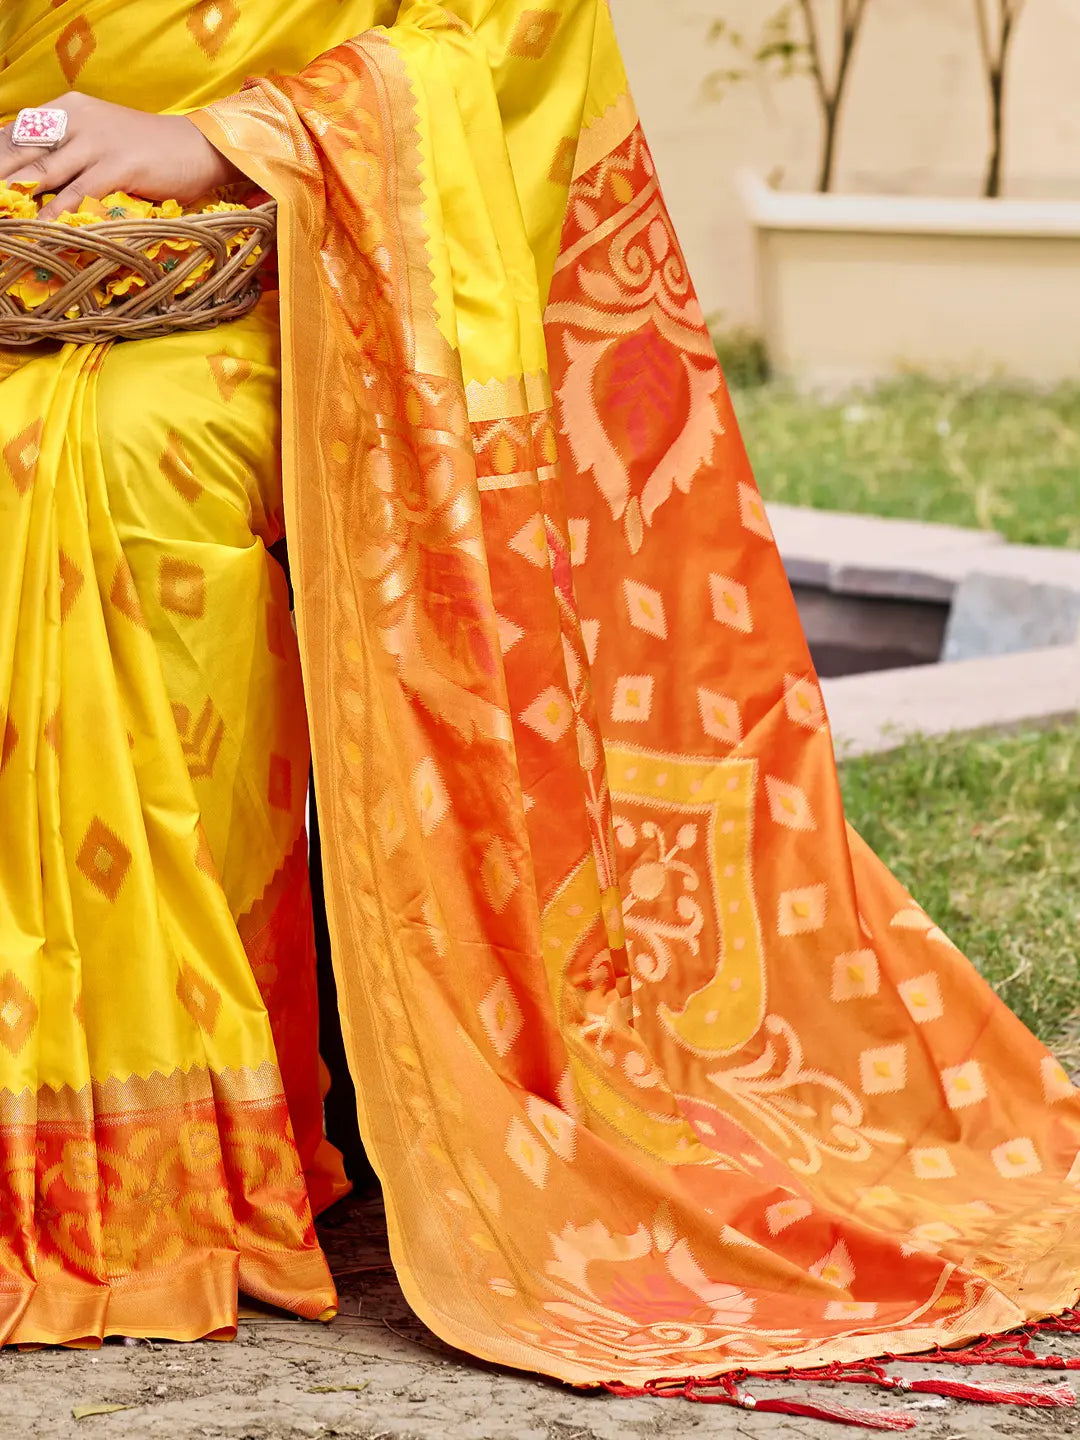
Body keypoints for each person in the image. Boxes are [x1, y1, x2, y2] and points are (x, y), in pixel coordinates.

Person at [1, 0, 1077, 1405]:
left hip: (327, 287)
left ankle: (166, 1158)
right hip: (59, 251)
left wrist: (222, 139)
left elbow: (505, 55)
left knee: (115, 460)